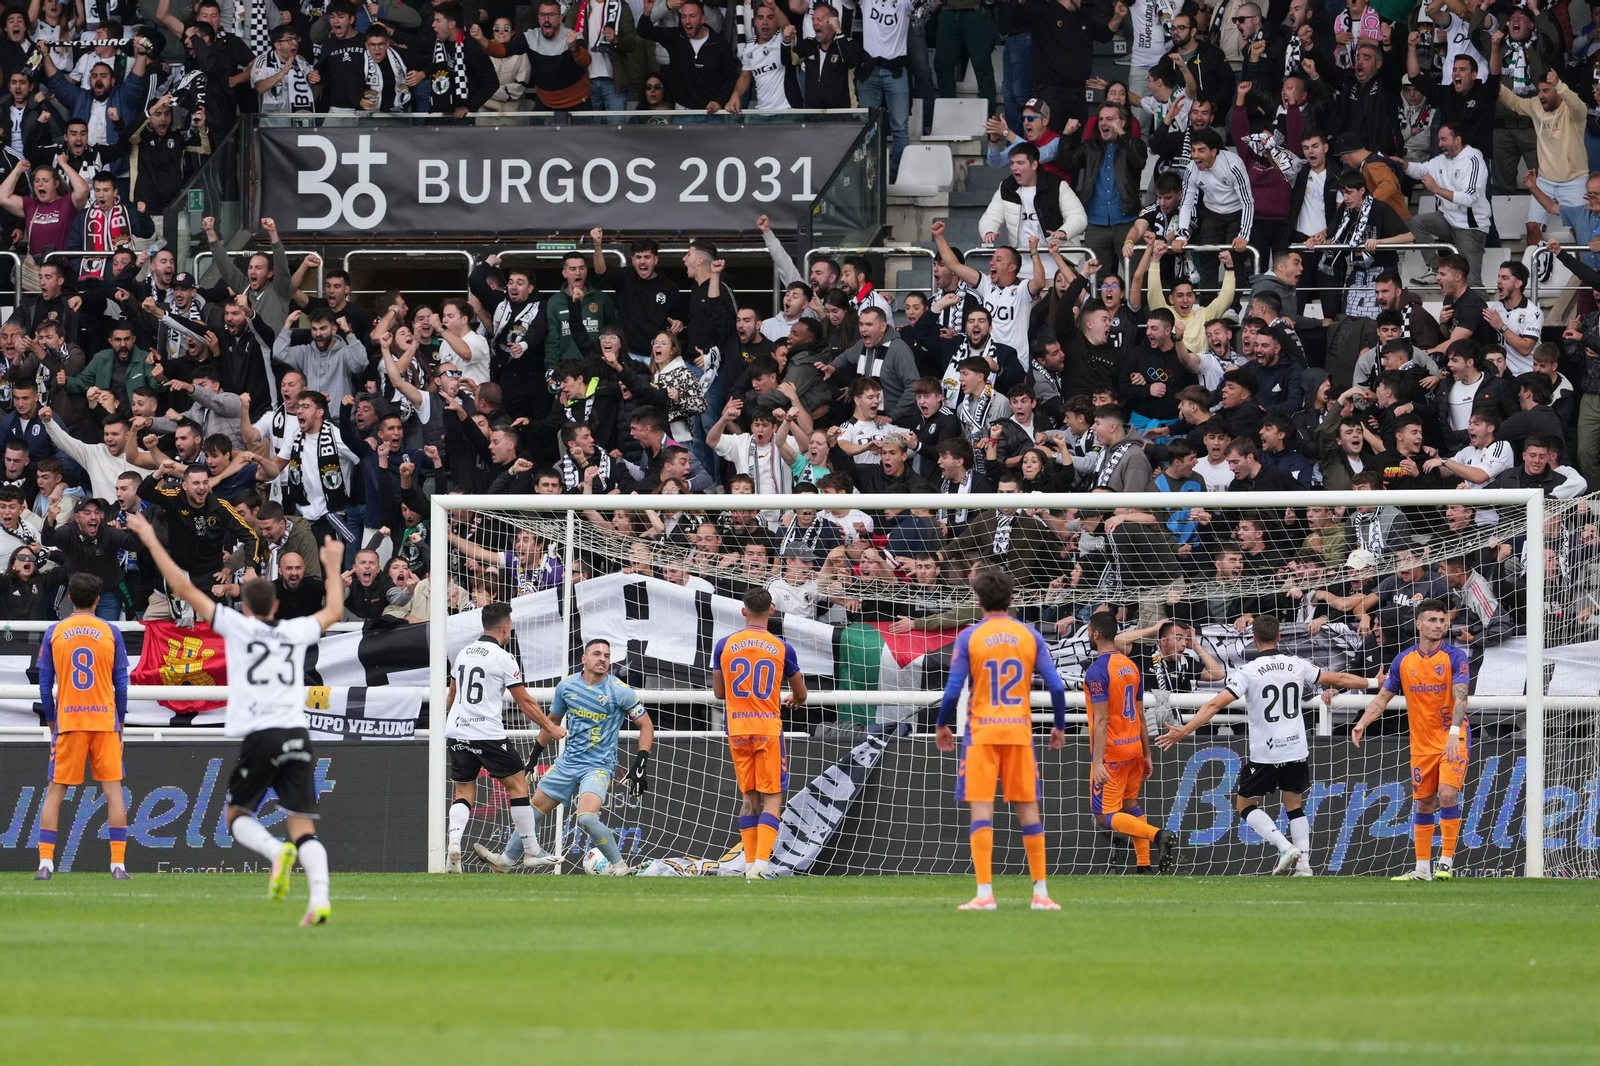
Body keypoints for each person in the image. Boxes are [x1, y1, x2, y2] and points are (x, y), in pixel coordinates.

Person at [124, 511, 345, 924]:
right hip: (298, 732)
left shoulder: (237, 628)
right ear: (277, 605)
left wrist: (152, 540)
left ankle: (275, 852)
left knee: (237, 816)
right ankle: (319, 899)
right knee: (305, 828)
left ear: (244, 607)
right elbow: (333, 610)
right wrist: (332, 565)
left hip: (262, 734)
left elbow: (182, 585)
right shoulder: (295, 631)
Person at [1156, 613, 1370, 876]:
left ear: (1254, 639)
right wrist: (1374, 682)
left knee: (1244, 805)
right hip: (1295, 747)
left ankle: (1284, 846)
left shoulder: (1248, 671)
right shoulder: (1296, 664)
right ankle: (1304, 866)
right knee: (1294, 804)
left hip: (1266, 752)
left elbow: (1214, 704)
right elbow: (1340, 680)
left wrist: (1184, 730)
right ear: (1279, 636)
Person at [935, 567, 1066, 909]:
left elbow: (952, 690)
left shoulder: (969, 637)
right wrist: (1059, 726)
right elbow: (1055, 685)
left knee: (981, 809)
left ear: (978, 600)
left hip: (982, 733)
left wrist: (942, 724)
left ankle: (984, 894)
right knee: (1028, 810)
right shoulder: (1030, 636)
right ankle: (1041, 893)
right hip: (1019, 732)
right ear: (1011, 599)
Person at [438, 601, 569, 872]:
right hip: (486, 733)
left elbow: (451, 696)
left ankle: (453, 844)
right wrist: (551, 727)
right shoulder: (503, 658)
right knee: (519, 786)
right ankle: (531, 850)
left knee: (463, 791)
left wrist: (451, 722)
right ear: (506, 626)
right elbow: (525, 702)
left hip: (457, 729)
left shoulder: (462, 653)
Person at [1351, 598, 1470, 881]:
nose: (1439, 625)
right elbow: (1382, 698)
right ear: (1418, 624)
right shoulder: (1404, 660)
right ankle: (1421, 870)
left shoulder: (1455, 657)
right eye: (1432, 620)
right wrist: (1362, 722)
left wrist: (1454, 734)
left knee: (1447, 794)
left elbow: (1462, 697)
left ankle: (1446, 862)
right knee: (1425, 804)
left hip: (1453, 737)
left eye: (1442, 621)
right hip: (1421, 744)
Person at [33, 573, 130, 881]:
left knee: (54, 793)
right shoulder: (111, 631)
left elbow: (44, 683)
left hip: (70, 720)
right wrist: (122, 720)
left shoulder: (55, 632)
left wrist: (51, 719)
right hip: (103, 720)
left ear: (70, 598)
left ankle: (46, 864)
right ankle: (118, 866)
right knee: (113, 792)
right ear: (98, 600)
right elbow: (122, 685)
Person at [712, 587, 806, 881]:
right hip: (767, 728)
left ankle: (749, 862)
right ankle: (761, 866)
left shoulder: (724, 645)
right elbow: (800, 693)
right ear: (772, 611)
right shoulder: (781, 647)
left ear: (743, 611)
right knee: (773, 796)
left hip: (737, 728)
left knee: (748, 796)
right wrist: (794, 699)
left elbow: (718, 693)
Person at [1084, 610, 1176, 873]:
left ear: (1096, 634)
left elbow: (1101, 721)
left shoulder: (1097, 671)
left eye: (1090, 631)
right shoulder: (1131, 666)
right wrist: (1146, 754)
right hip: (1134, 746)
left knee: (1103, 816)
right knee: (1129, 805)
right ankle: (1144, 864)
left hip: (1112, 753)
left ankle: (1158, 835)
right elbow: (1140, 716)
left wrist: (1098, 761)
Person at [1404, 121, 1491, 288]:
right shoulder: (1441, 160)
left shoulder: (1473, 159)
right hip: (1448, 220)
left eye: (1444, 139)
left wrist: (1436, 189)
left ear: (1457, 140)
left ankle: (1479, 313)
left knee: (1471, 282)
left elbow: (1469, 198)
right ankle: (1435, 268)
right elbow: (1420, 170)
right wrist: (1403, 164)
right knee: (1418, 222)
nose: (1439, 144)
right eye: (1439, 140)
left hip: (1470, 227)